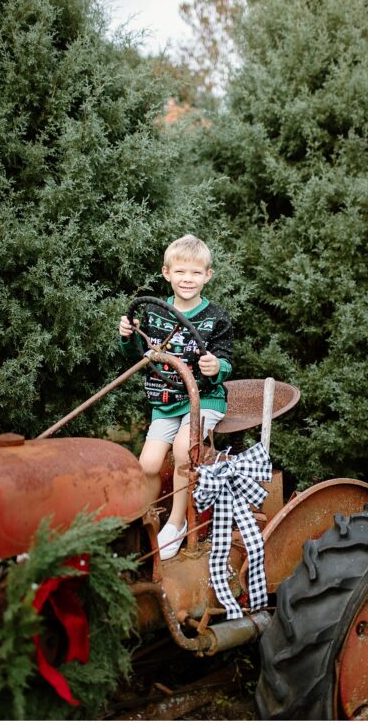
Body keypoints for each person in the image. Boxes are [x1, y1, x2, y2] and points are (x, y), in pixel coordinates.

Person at [119, 234, 232, 560]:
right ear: (166, 273)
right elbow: (139, 355)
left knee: (184, 450)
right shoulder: (155, 315)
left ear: (207, 276)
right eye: (181, 272)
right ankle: (146, 519)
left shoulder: (217, 317)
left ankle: (177, 521)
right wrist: (128, 336)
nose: (188, 279)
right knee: (148, 464)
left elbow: (225, 361)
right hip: (166, 400)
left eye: (196, 273)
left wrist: (215, 366)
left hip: (204, 398)